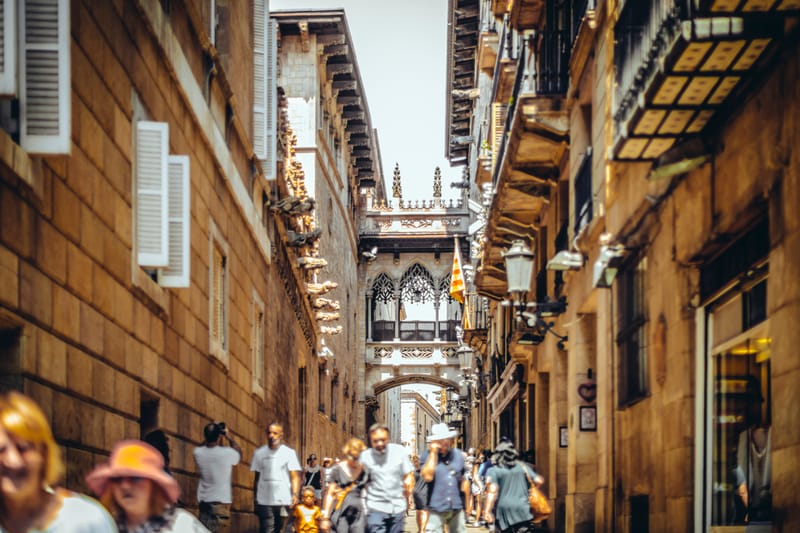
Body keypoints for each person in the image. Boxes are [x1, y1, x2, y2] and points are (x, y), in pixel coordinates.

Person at [0, 390, 116, 533]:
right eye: (1, 450)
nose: (13, 461)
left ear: (44, 453)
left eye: (23, 448)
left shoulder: (86, 520)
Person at [86, 439, 208, 532]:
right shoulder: (103, 526)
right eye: (117, 479)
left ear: (154, 485)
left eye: (135, 478)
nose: (125, 486)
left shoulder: (182, 525)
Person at [359, 423, 414, 533]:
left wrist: (408, 492)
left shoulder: (399, 451)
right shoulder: (365, 456)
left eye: (383, 440)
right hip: (375, 507)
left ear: (388, 439)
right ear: (371, 440)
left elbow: (409, 475)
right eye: (376, 441)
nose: (379, 443)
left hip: (397, 507)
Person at [250, 422, 302, 533]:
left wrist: (295, 494)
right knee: (267, 528)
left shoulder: (289, 453)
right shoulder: (260, 454)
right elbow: (257, 478)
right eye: (269, 433)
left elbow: (295, 476)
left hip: (283, 500)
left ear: (281, 435)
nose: (271, 436)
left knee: (279, 529)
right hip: (265, 500)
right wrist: (255, 499)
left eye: (275, 433)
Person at [482, 441, 544, 533]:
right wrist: (531, 490)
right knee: (523, 529)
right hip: (522, 507)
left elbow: (492, 491)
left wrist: (487, 510)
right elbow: (539, 480)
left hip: (504, 509)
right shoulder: (524, 467)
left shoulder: (493, 470)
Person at [419, 423, 469, 533]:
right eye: (439, 440)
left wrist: (467, 506)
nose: (443, 442)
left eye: (445, 439)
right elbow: (427, 476)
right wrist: (433, 453)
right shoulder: (426, 456)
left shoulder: (458, 455)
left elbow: (463, 482)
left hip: (456, 507)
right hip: (436, 507)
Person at [193, 422, 242, 532]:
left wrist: (210, 436)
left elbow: (200, 447)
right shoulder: (227, 453)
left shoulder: (199, 453)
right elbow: (239, 453)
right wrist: (229, 437)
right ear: (219, 436)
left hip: (204, 507)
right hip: (220, 508)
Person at [320, 438, 367, 533]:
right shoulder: (338, 470)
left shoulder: (364, 470)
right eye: (352, 456)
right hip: (341, 511)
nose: (355, 460)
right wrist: (326, 518)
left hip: (359, 514)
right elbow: (330, 494)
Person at [410, 456, 428, 533]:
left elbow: (411, 482)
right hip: (424, 492)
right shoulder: (426, 469)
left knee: (418, 511)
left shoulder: (413, 470)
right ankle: (422, 529)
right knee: (425, 511)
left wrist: (410, 496)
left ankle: (419, 528)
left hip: (415, 492)